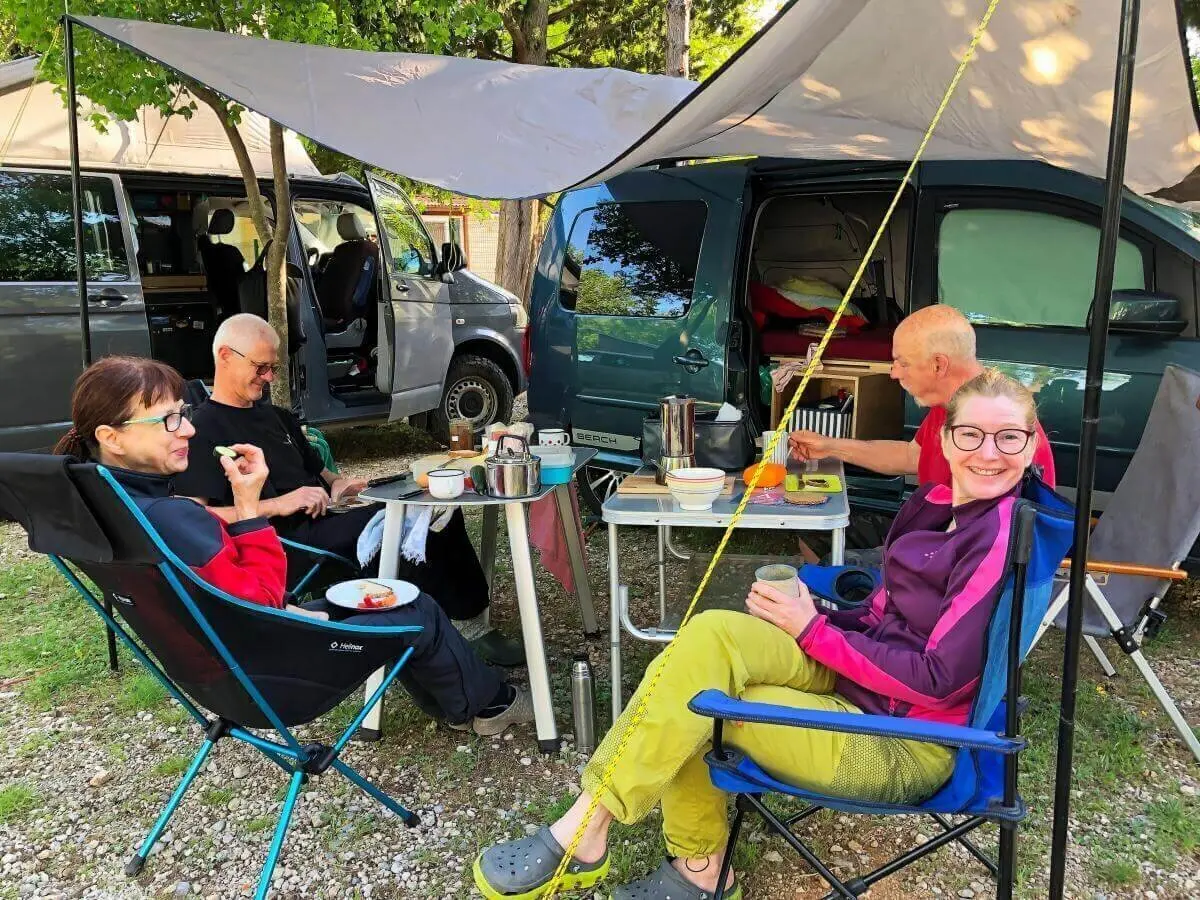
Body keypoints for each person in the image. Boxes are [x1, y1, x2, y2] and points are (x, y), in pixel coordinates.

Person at [474, 369, 1044, 900]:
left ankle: (646, 851)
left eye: (1007, 438)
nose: (988, 454)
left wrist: (813, 630)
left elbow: (940, 680)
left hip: (901, 739)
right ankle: (618, 835)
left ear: (1031, 442)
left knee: (701, 701)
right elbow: (885, 616)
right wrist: (815, 607)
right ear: (944, 440)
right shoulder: (935, 503)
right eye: (970, 434)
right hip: (863, 682)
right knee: (711, 637)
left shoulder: (998, 538)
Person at [54, 356, 534, 736]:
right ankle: (488, 705)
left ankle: (455, 698)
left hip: (213, 675)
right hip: (273, 672)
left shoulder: (108, 512)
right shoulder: (175, 516)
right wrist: (254, 508)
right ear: (110, 437)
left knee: (385, 600)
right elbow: (265, 599)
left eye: (182, 414)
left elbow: (238, 595)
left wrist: (250, 506)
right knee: (417, 609)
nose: (189, 429)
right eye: (168, 421)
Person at [170, 314, 523, 667]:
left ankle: (465, 622)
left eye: (273, 368)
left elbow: (319, 471)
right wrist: (278, 504)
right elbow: (190, 517)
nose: (270, 378)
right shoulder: (202, 429)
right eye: (261, 367)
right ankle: (456, 634)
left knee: (437, 506)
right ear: (226, 356)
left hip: (327, 521)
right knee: (415, 520)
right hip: (287, 545)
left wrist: (339, 484)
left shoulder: (276, 416)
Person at [788, 305, 1057, 489]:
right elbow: (910, 456)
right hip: (940, 540)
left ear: (939, 365)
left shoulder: (988, 422)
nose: (894, 373)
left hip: (964, 560)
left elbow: (981, 538)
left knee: (827, 562)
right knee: (822, 537)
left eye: (902, 363)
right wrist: (829, 447)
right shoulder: (958, 403)